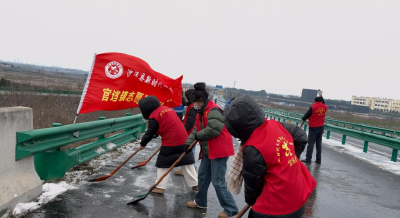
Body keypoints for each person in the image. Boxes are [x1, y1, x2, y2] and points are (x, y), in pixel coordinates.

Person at [224, 95, 316, 218]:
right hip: (299, 199)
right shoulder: (275, 124)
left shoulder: (253, 147)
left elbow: (253, 187)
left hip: (276, 209)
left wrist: (250, 201)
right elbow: (301, 136)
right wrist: (289, 161)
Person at [185, 82, 238, 218]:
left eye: (195, 102)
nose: (194, 105)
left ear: (201, 100)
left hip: (219, 150)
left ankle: (231, 209)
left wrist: (198, 136)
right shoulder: (200, 112)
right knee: (202, 176)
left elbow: (214, 130)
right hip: (208, 150)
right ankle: (200, 201)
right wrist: (188, 144)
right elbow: (197, 129)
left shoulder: (213, 110)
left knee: (218, 181)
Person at [138, 96, 198, 194]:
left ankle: (160, 186)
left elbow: (150, 131)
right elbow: (163, 125)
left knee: (163, 163)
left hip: (171, 141)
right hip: (184, 139)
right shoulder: (166, 109)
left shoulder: (155, 115)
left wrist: (142, 144)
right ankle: (195, 183)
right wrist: (156, 134)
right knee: (186, 162)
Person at [174, 89, 197, 176]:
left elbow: (190, 123)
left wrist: (182, 131)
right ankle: (188, 169)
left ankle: (191, 170)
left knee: (189, 151)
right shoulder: (192, 106)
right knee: (190, 150)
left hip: (190, 133)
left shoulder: (192, 108)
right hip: (192, 132)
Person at [301, 93, 327, 164]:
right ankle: (318, 160)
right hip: (321, 128)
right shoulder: (324, 107)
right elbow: (323, 103)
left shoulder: (313, 107)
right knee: (319, 144)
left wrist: (303, 118)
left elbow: (306, 115)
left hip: (313, 127)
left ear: (315, 101)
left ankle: (308, 159)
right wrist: (322, 97)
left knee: (311, 143)